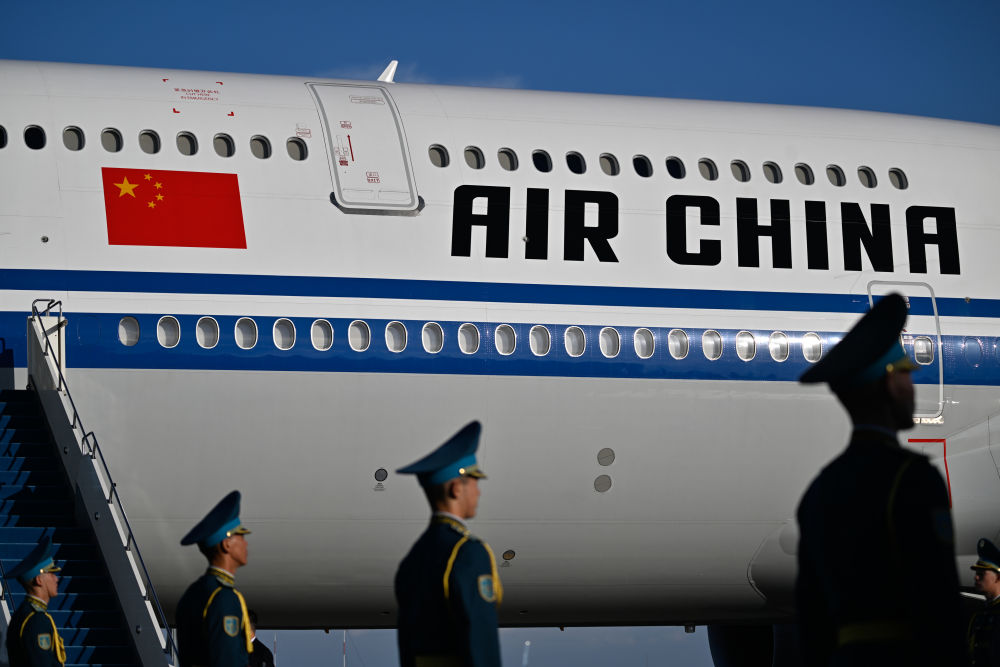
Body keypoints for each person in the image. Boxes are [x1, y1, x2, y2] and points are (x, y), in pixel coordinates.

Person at [796, 292, 965, 666]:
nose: (912, 386)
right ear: (887, 385)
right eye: (904, 373)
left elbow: (810, 617)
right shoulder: (912, 479)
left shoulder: (820, 490)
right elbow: (937, 600)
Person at [394, 420, 503, 667]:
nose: (478, 493)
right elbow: (480, 639)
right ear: (456, 489)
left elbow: (407, 644)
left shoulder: (413, 559)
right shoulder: (467, 553)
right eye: (474, 483)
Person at [175, 490, 254, 667]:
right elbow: (228, 659)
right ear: (227, 544)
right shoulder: (223, 597)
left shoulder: (193, 593)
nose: (246, 543)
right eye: (241, 536)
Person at [5, 537, 65, 667]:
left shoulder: (24, 614)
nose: (56, 579)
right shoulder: (36, 620)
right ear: (39, 580)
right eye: (51, 574)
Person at [969, 538, 1000, 665]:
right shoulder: (979, 615)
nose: (976, 577)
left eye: (981, 573)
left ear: (998, 577)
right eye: (977, 572)